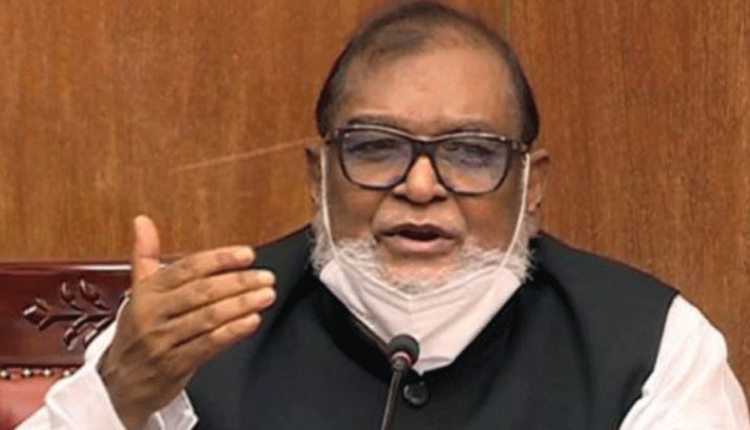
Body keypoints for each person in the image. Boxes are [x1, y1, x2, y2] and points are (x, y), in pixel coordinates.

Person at [17, 1, 750, 429]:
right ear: (318, 175)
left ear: (532, 185)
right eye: (376, 147)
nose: (421, 186)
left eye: (471, 152)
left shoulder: (654, 346)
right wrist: (117, 394)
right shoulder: (189, 331)